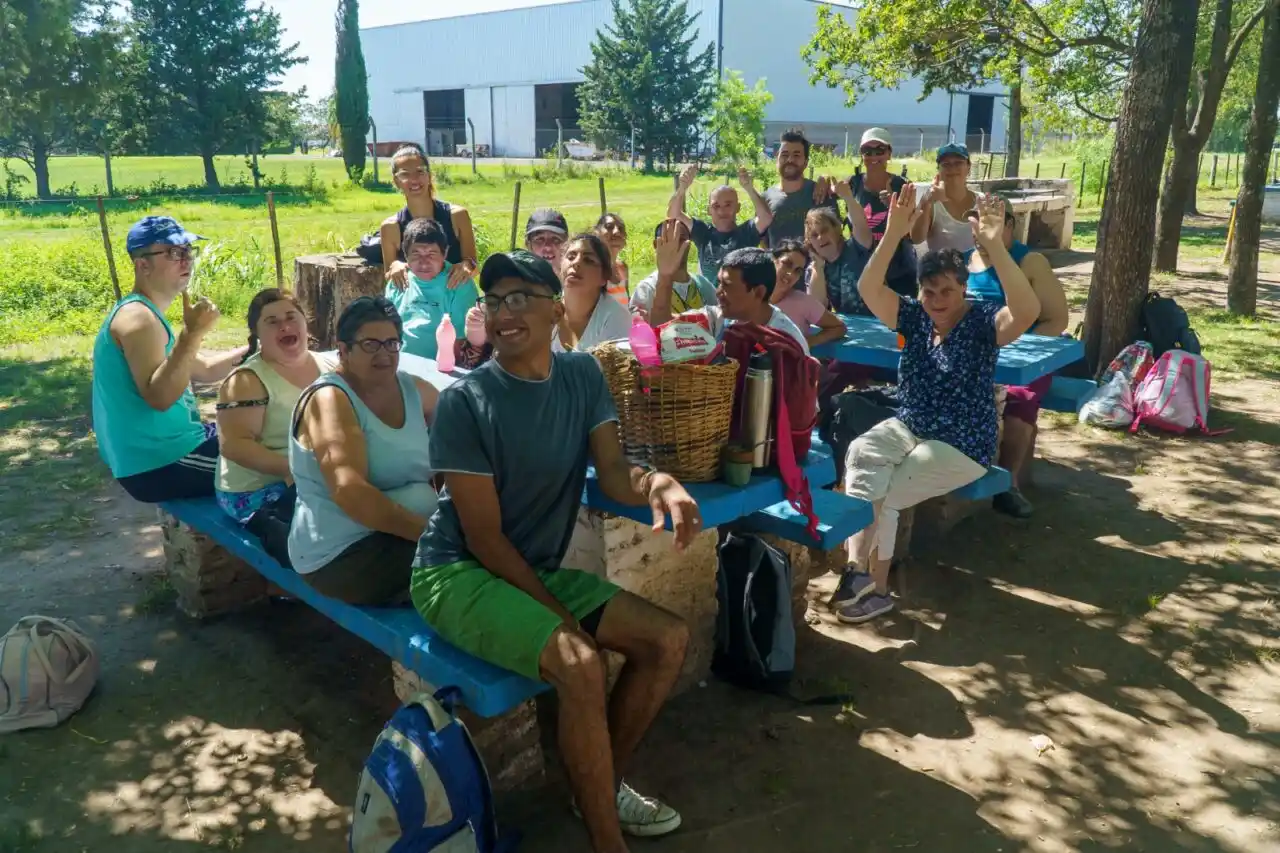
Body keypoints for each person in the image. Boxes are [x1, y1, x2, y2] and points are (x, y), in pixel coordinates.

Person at [411, 249, 700, 851]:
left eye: (520, 298)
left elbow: (614, 472)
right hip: (456, 572)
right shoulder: (467, 403)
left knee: (667, 641)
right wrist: (558, 615)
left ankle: (598, 785)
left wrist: (659, 483)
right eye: (494, 300)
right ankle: (607, 840)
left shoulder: (582, 376)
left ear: (554, 311)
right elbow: (483, 538)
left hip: (529, 566)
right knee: (580, 662)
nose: (504, 312)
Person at [832, 188, 1039, 623]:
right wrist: (893, 233)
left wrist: (996, 246)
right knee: (861, 452)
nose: (938, 300)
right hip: (912, 424)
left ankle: (877, 588)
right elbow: (869, 287)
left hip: (963, 441)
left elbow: (1025, 311)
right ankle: (856, 573)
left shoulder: (982, 321)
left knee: (888, 490)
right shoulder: (914, 316)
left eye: (947, 290)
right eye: (929, 292)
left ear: (963, 288)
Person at [288, 297, 441, 604]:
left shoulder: (413, 389)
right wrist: (437, 536)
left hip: (404, 533)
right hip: (343, 553)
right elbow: (351, 493)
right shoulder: (329, 399)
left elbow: (462, 440)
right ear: (343, 350)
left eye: (392, 343)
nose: (384, 354)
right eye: (370, 344)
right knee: (469, 568)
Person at [92, 215, 247, 503]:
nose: (186, 260)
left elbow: (204, 369)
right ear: (143, 265)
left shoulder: (145, 313)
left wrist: (257, 349)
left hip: (166, 454)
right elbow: (160, 398)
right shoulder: (138, 319)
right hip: (161, 464)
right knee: (280, 461)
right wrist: (192, 333)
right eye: (174, 252)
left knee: (261, 434)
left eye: (188, 250)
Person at [965, 201, 1069, 519]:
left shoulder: (1030, 262)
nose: (980, 229)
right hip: (973, 355)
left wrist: (1016, 348)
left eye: (989, 220)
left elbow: (1057, 320)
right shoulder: (962, 262)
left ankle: (1007, 484)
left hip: (1024, 359)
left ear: (1009, 224)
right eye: (975, 221)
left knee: (1018, 398)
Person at [214, 290, 334, 549]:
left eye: (291, 317)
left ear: (305, 322)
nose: (285, 326)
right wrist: (294, 470)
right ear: (257, 333)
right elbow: (234, 445)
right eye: (272, 322)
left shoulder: (330, 365)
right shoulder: (246, 381)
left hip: (316, 476)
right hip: (257, 490)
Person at [648, 227, 810, 354]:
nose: (718, 293)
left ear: (759, 292)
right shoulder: (716, 319)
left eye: (727, 286)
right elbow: (662, 327)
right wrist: (665, 276)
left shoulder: (786, 341)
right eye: (719, 283)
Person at [381, 145, 478, 291]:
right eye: (405, 174)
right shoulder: (390, 227)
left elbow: (473, 266)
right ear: (396, 181)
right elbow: (389, 276)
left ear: (429, 175)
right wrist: (395, 266)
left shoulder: (457, 216)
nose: (414, 179)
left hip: (454, 298)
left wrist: (466, 266)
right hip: (415, 301)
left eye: (420, 171)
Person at [385, 219, 480, 360]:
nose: (424, 263)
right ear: (405, 255)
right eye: (416, 254)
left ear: (444, 253)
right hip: (400, 363)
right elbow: (387, 329)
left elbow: (461, 342)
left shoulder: (459, 282)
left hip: (442, 367)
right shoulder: (398, 279)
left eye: (431, 254)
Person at [845, 128, 918, 298]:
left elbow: (913, 231)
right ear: (861, 154)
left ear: (889, 153)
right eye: (867, 151)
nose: (873, 156)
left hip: (898, 271)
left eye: (880, 150)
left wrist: (894, 209)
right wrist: (822, 182)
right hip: (863, 268)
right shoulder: (852, 184)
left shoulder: (903, 186)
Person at [667, 164, 774, 278]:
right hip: (707, 290)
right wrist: (682, 188)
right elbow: (674, 214)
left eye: (728, 205)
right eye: (716, 206)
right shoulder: (703, 232)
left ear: (738, 208)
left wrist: (749, 189)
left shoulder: (747, 232)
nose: (722, 211)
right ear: (709, 210)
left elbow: (766, 217)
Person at [555, 233, 633, 354]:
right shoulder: (544, 310)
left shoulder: (616, 318)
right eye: (570, 257)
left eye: (588, 260)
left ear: (604, 277)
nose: (576, 263)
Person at [628, 220, 718, 319]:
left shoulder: (703, 286)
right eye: (669, 239)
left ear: (689, 243)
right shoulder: (647, 289)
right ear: (656, 244)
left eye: (682, 239)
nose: (676, 245)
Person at [762, 128, 834, 248]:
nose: (790, 159)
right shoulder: (765, 198)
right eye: (785, 155)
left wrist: (825, 177)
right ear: (777, 159)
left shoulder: (821, 193)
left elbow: (835, 237)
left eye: (796, 155)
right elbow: (763, 241)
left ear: (806, 162)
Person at [770, 240, 847, 348]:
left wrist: (807, 342)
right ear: (773, 260)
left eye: (797, 271)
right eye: (787, 264)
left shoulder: (803, 302)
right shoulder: (751, 295)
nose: (790, 274)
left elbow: (839, 327)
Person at [803, 206, 873, 316]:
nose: (820, 237)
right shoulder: (814, 270)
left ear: (836, 229)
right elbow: (816, 309)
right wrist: (818, 267)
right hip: (850, 324)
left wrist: (847, 197)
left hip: (881, 320)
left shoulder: (857, 246)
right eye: (814, 235)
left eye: (824, 231)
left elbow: (860, 224)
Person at [911, 143, 979, 253]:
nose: (952, 168)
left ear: (968, 167)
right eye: (946, 164)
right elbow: (916, 238)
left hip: (978, 264)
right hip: (942, 264)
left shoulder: (982, 201)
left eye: (958, 163)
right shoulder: (930, 202)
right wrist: (928, 202)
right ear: (938, 170)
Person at [594, 212, 631, 306]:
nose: (617, 232)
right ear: (596, 233)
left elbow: (626, 305)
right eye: (609, 227)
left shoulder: (622, 268)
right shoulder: (593, 269)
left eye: (621, 229)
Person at [526, 208, 570, 273]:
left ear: (568, 245)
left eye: (556, 239)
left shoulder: (579, 277)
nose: (548, 247)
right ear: (528, 245)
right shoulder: (516, 277)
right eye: (540, 239)